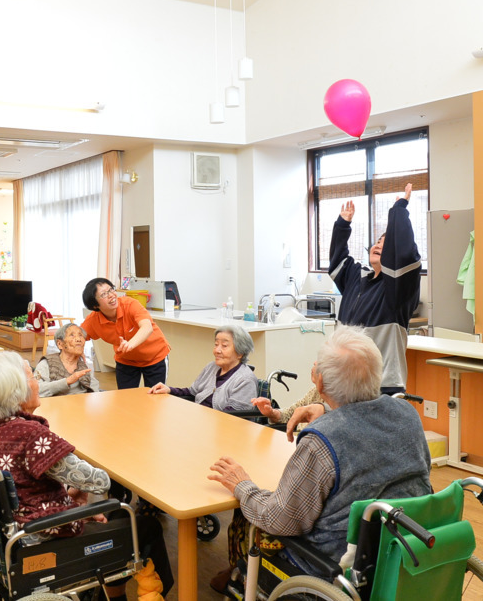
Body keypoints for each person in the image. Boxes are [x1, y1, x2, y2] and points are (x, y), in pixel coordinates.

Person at [208, 326, 431, 587]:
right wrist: (326, 408)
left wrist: (242, 484)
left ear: (320, 383)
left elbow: (280, 520)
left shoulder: (322, 440)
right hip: (404, 546)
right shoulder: (407, 414)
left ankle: (241, 577)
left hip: (333, 567)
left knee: (249, 516)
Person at [0, 352, 174, 597]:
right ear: (17, 390)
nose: (37, 382)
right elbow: (99, 481)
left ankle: (111, 594)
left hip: (19, 531)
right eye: (32, 377)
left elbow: (27, 485)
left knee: (118, 513)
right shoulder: (31, 435)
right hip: (46, 538)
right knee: (146, 525)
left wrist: (70, 501)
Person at [267, 182, 422, 434]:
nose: (379, 243)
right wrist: (342, 225)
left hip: (378, 386)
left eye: (387, 241)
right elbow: (338, 261)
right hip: (344, 382)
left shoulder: (398, 289)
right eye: (378, 240)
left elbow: (405, 255)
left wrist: (398, 211)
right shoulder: (357, 277)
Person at [81, 278, 170, 389]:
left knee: (155, 397)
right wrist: (79, 351)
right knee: (125, 398)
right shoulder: (94, 320)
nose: (111, 295)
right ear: (95, 305)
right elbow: (77, 336)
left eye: (111, 290)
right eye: (104, 294)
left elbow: (147, 327)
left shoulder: (130, 304)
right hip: (126, 360)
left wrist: (130, 344)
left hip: (154, 356)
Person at [147, 325, 256, 411]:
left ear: (240, 353)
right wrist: (169, 390)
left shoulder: (245, 379)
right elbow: (192, 392)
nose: (217, 350)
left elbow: (234, 415)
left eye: (224, 346)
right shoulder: (211, 367)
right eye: (216, 344)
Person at [33, 323, 100, 397]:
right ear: (60, 344)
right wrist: (67, 381)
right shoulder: (46, 363)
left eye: (80, 335)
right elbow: (36, 390)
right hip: (56, 406)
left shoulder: (84, 364)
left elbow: (95, 389)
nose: (78, 339)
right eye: (72, 335)